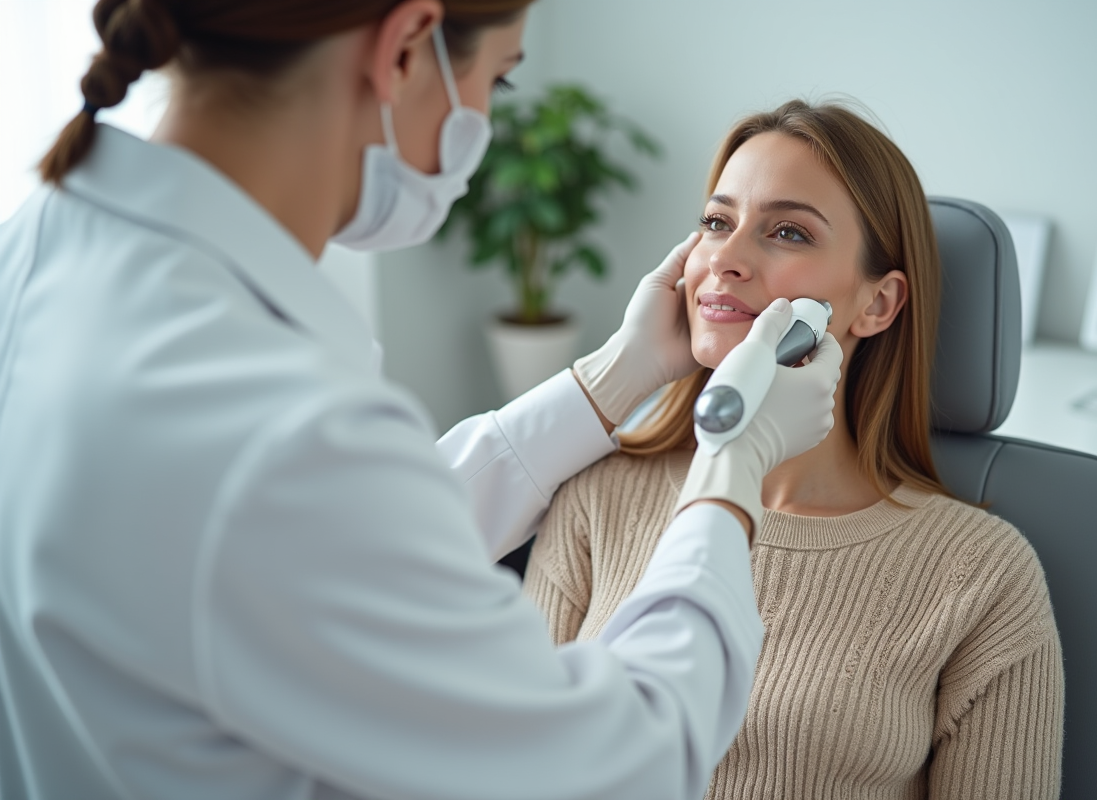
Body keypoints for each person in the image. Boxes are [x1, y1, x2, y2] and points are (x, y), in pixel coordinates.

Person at [0, 3, 846, 799]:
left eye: (787, 230)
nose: (727, 259)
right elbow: (625, 764)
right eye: (499, 79)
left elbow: (326, 553)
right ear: (407, 47)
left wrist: (613, 380)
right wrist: (732, 463)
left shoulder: (39, 246)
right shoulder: (281, 420)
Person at [524, 99, 1066, 799]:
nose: (726, 258)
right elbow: (511, 759)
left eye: (786, 231)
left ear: (877, 304)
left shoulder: (981, 574)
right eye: (716, 223)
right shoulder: (597, 495)